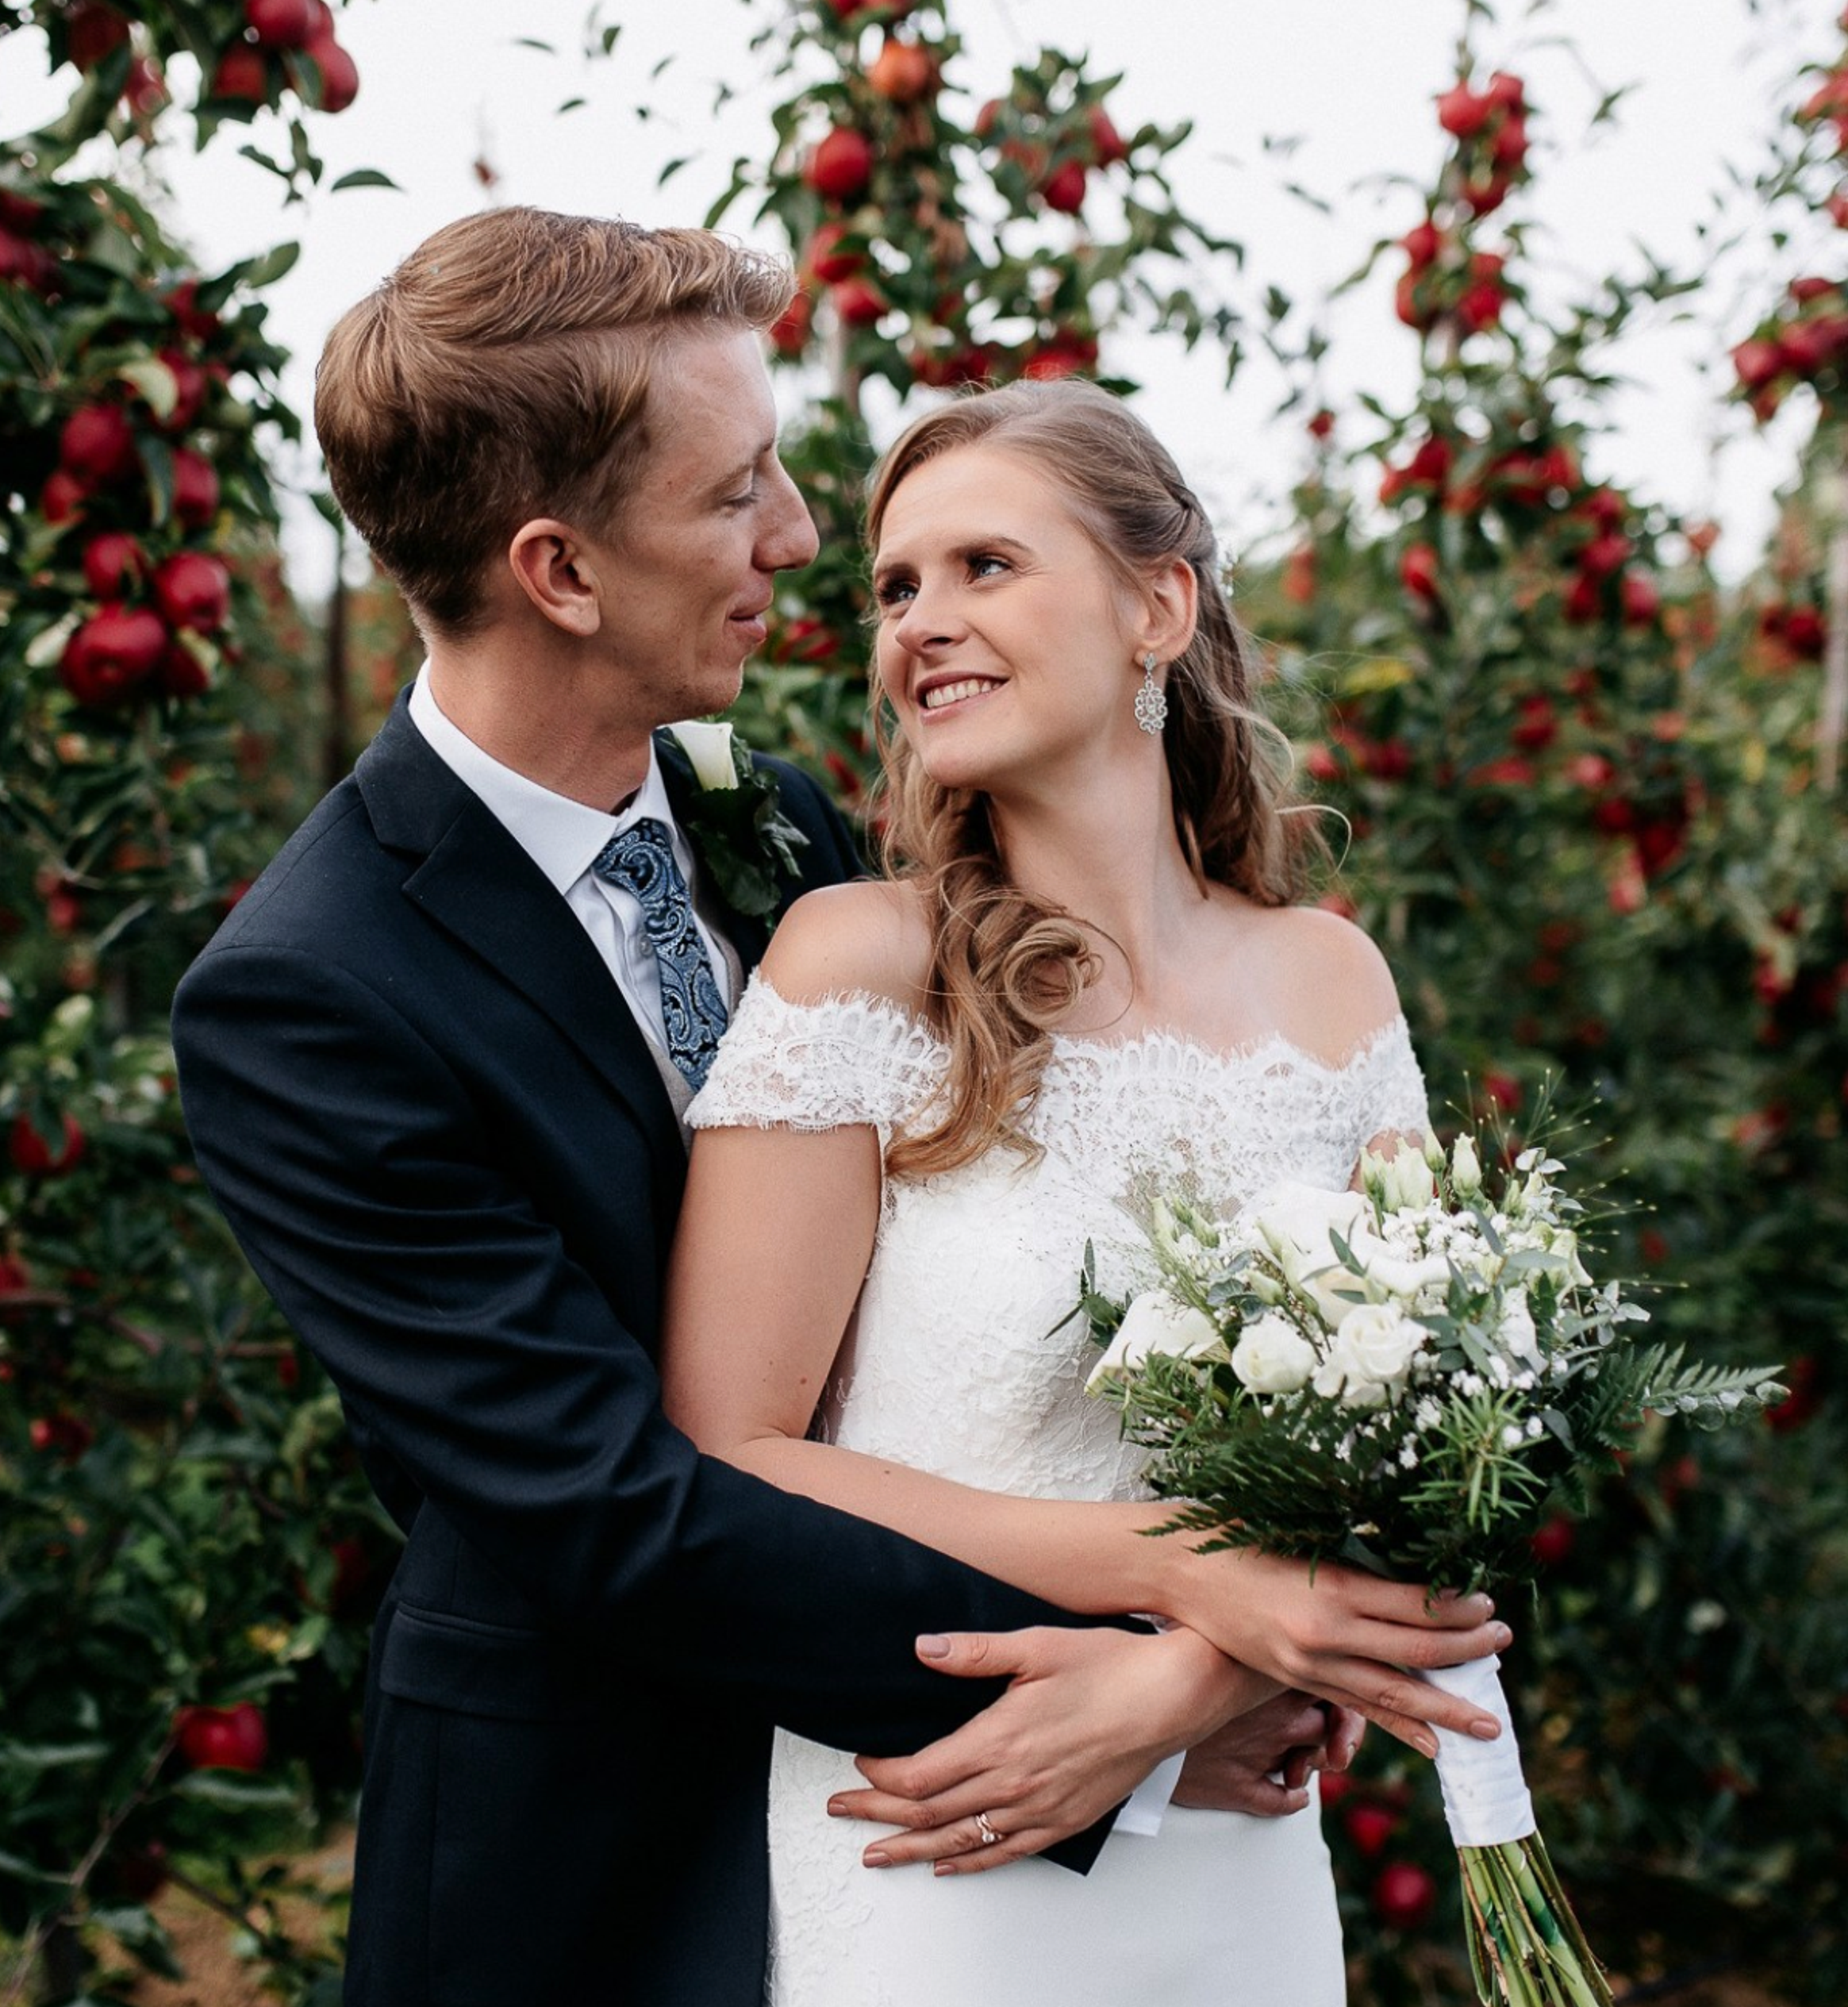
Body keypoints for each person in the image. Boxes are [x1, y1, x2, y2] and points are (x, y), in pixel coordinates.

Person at [168, 206, 1502, 2007]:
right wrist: (1169, 1636)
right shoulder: (310, 991)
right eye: (738, 493)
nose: (798, 540)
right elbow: (623, 1506)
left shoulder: (774, 821)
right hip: (615, 1843)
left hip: (1059, 1789)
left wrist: (1191, 1679)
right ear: (559, 569)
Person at [662, 376, 1500, 2004]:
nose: (919, 622)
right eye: (894, 587)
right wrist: (1174, 1568)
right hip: (948, 1813)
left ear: (1154, 605)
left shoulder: (1333, 983)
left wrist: (1179, 1686)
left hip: (1236, 1845)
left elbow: (1441, 1445)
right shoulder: (856, 964)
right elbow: (730, 1450)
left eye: (983, 564)